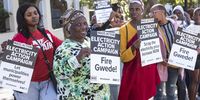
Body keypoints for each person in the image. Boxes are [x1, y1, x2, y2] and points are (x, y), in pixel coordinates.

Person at [1, 3, 62, 100]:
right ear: (23, 18)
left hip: (48, 81)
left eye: (35, 13)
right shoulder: (19, 38)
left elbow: (62, 47)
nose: (34, 16)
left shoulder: (46, 33)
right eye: (29, 15)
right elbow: (14, 66)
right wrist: (7, 50)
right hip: (28, 85)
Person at [53, 9, 110, 100]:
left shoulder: (90, 41)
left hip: (100, 96)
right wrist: (78, 57)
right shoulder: (63, 49)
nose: (83, 27)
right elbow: (60, 73)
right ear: (69, 28)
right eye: (78, 25)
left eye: (85, 23)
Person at [118, 0, 160, 100]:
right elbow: (123, 57)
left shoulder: (150, 26)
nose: (134, 12)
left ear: (142, 10)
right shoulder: (123, 29)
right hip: (132, 74)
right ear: (128, 11)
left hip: (148, 71)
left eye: (137, 9)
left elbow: (155, 48)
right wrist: (133, 47)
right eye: (131, 9)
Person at [150, 4, 180, 100]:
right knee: (158, 94)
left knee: (171, 93)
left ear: (162, 12)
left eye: (154, 12)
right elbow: (150, 48)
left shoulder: (174, 24)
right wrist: (160, 59)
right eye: (151, 13)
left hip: (174, 65)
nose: (151, 15)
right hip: (160, 65)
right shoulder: (152, 28)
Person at [186, 7, 200, 100]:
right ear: (193, 16)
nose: (198, 16)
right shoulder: (188, 28)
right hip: (193, 57)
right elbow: (184, 44)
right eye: (196, 14)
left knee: (197, 81)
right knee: (194, 81)